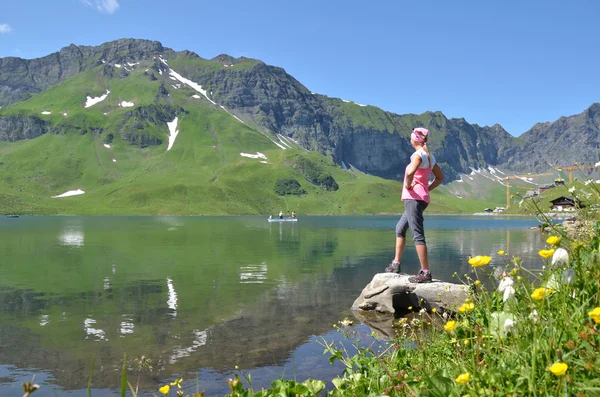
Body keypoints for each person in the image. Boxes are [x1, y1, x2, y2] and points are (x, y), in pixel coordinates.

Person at [385, 127, 444, 283]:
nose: (410, 140)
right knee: (400, 228)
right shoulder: (430, 157)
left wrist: (409, 185)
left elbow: (410, 173)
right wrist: (426, 189)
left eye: (411, 137)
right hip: (420, 198)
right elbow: (440, 177)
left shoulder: (418, 155)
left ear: (415, 139)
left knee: (417, 234)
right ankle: (396, 263)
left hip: (414, 198)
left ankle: (425, 272)